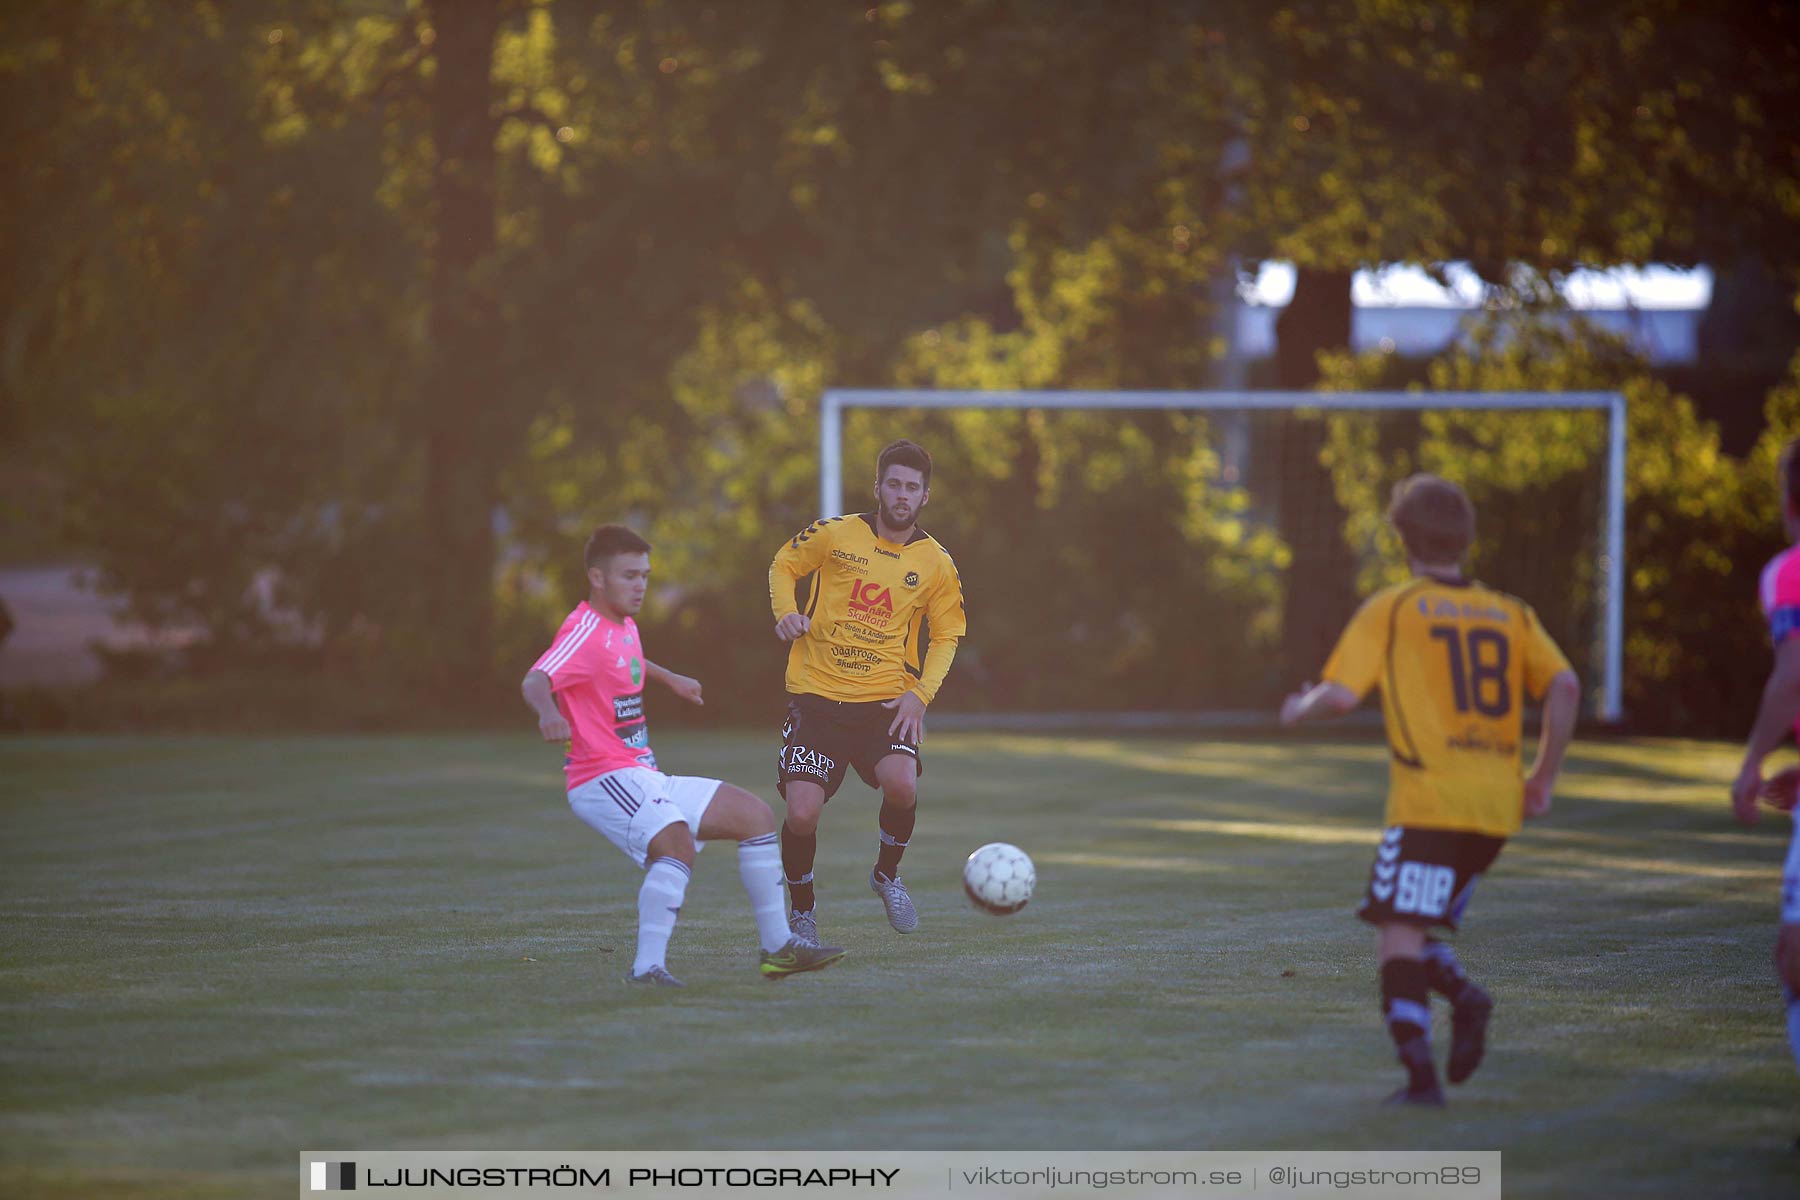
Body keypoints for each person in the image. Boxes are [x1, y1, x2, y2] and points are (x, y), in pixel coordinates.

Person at [1280, 474, 1580, 1106]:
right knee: (1413, 926)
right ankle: (1465, 1000)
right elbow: (1566, 687)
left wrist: (1296, 709)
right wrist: (1543, 777)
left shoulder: (1394, 607)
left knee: (1397, 935)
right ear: (1466, 541)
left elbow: (1338, 697)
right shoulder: (1511, 613)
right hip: (1495, 810)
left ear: (1402, 538)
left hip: (1429, 804)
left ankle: (1421, 1078)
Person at [522, 524, 845, 985]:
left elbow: (627, 656)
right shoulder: (582, 629)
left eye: (645, 576)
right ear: (597, 578)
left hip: (643, 773)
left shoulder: (622, 626)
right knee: (674, 845)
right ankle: (647, 968)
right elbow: (536, 678)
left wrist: (671, 678)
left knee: (754, 816)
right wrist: (547, 713)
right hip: (599, 777)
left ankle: (779, 950)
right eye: (629, 576)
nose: (640, 586)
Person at [769, 439, 966, 942]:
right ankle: (803, 911)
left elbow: (947, 635)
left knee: (903, 784)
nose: (902, 494)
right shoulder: (836, 534)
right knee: (801, 813)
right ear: (878, 487)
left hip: (884, 701)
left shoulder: (937, 562)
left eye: (912, 487)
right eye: (894, 484)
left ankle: (886, 875)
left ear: (925, 496)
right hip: (817, 697)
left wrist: (920, 695)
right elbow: (783, 565)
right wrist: (785, 613)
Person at [1729, 437, 1800, 1116]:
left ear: (1787, 502)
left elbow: (1794, 672)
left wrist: (1751, 764)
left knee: (1796, 957)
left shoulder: (1789, 572)